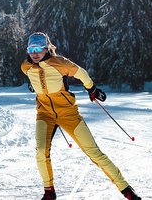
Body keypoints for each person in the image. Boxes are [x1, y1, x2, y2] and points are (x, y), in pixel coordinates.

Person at [20, 32, 140, 200]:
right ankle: (49, 192)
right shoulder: (26, 67)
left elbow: (81, 73)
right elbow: (35, 78)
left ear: (46, 49)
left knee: (94, 153)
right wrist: (35, 86)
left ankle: (126, 189)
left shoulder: (60, 63)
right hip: (44, 114)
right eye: (31, 49)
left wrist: (92, 89)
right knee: (41, 152)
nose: (34, 53)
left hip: (68, 114)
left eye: (38, 49)